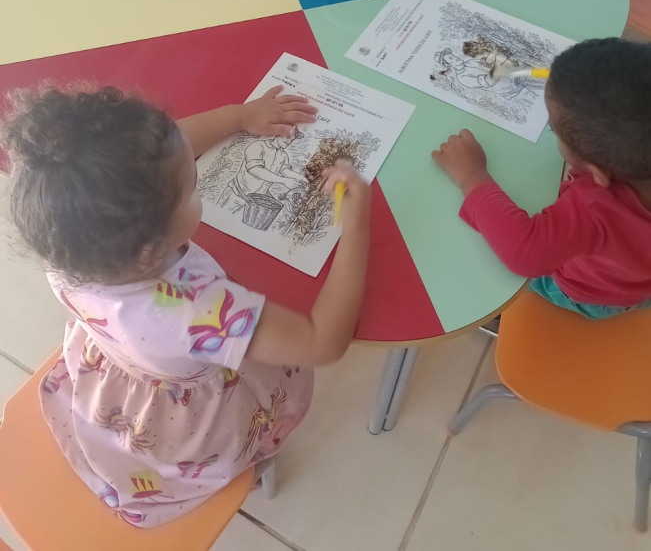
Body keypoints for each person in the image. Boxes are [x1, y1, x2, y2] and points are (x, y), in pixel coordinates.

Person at [2, 84, 370, 527]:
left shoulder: (65, 243)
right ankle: (249, 467)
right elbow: (322, 341)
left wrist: (239, 115)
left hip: (118, 370)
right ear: (149, 250)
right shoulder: (198, 311)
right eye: (193, 189)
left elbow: (161, 158)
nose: (197, 185)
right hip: (199, 421)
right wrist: (356, 226)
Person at [432, 38, 651, 319]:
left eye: (554, 132)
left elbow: (522, 253)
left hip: (596, 295)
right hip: (637, 277)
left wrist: (472, 176)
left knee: (478, 254)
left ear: (597, 173)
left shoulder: (595, 207)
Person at [218, 128, 307, 213]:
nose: (289, 142)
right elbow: (255, 169)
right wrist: (284, 181)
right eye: (288, 137)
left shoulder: (283, 155)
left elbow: (286, 171)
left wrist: (305, 179)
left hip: (255, 202)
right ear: (278, 134)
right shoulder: (258, 146)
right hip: (236, 194)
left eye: (292, 140)